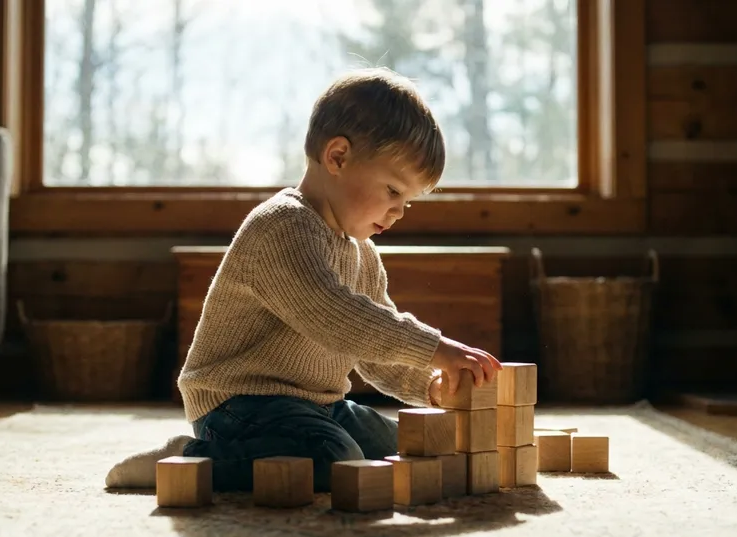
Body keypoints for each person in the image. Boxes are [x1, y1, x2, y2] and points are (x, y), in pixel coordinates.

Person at [105, 67, 501, 492]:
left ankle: (287, 444)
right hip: (238, 404)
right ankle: (187, 458)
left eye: (408, 200)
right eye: (392, 191)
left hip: (319, 404)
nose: (399, 211)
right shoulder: (282, 226)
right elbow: (336, 317)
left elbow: (371, 352)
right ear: (338, 157)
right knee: (334, 458)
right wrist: (435, 348)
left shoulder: (360, 252)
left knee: (408, 445)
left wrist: (430, 387)